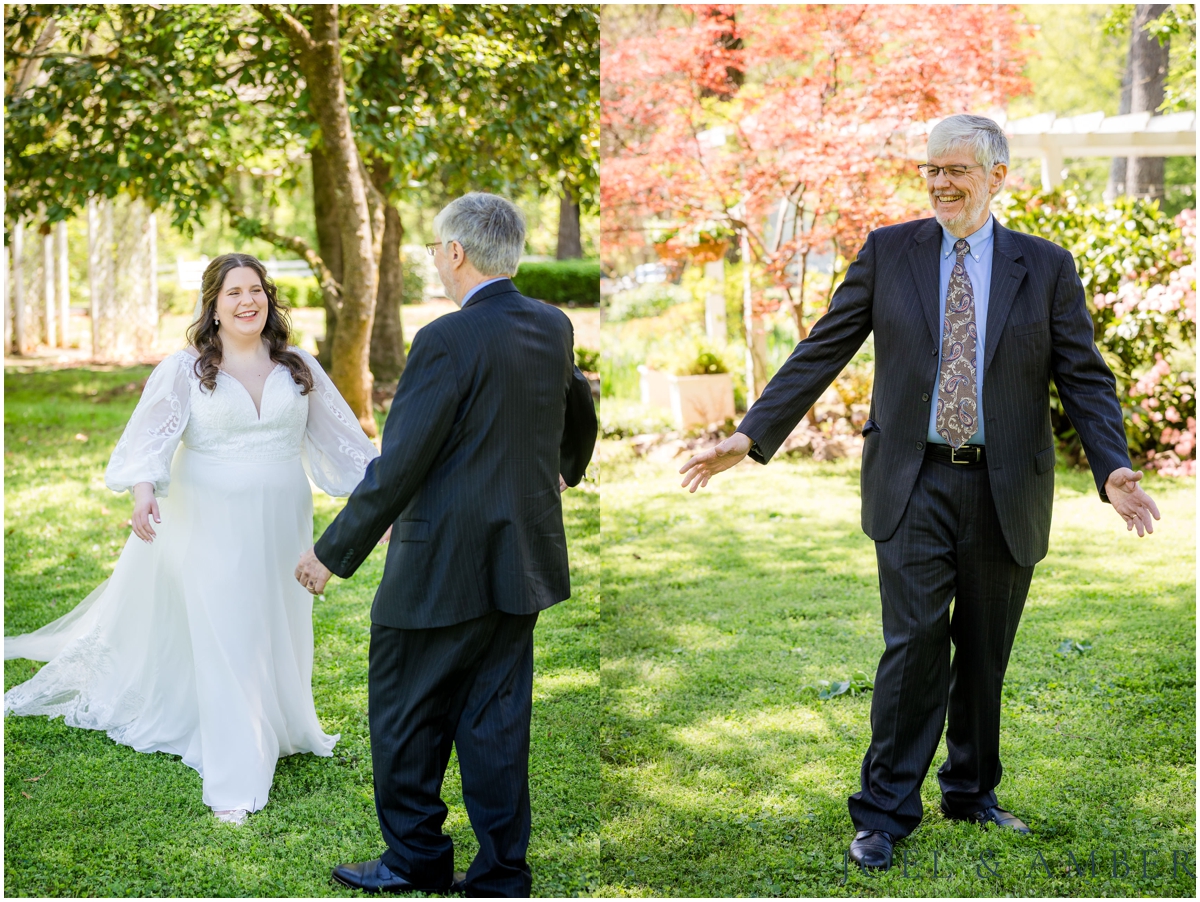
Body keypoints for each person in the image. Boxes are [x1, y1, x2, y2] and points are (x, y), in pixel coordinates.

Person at [678, 114, 1161, 870]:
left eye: (957, 169)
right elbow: (823, 346)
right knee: (913, 646)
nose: (940, 182)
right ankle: (883, 810)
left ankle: (970, 792)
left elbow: (1085, 376)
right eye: (931, 169)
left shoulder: (1046, 266)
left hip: (1008, 484)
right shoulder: (889, 252)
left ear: (998, 176)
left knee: (985, 652)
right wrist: (751, 434)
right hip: (912, 479)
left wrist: (1112, 468)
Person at [4, 253, 379, 827]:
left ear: (269, 300)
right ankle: (235, 770)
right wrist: (142, 493)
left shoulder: (299, 366)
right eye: (233, 293)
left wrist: (390, 499)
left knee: (275, 624)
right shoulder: (187, 368)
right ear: (213, 305)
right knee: (227, 630)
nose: (247, 301)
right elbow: (148, 439)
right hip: (209, 519)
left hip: (282, 520)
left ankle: (279, 725)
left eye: (256, 290)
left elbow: (349, 445)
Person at [294, 192, 597, 897]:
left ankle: (414, 859)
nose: (434, 259)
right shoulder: (552, 325)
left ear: (456, 253)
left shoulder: (444, 340)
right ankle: (501, 874)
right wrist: (563, 470)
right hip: (520, 562)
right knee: (496, 722)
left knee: (402, 714)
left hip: (438, 567)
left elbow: (400, 463)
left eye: (435, 248)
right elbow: (578, 410)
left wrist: (331, 552)